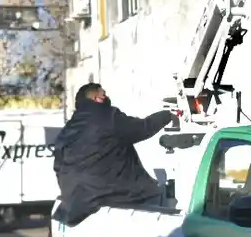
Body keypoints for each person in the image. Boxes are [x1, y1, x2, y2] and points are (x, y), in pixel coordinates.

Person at [52, 83, 175, 225]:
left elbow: (58, 166)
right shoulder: (107, 116)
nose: (106, 96)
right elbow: (143, 128)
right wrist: (169, 114)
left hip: (75, 202)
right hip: (115, 196)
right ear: (97, 97)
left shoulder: (67, 129)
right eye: (103, 93)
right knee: (159, 198)